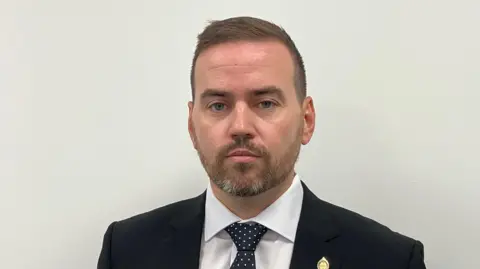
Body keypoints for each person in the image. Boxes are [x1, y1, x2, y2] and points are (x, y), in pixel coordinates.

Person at [97, 16, 426, 269]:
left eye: (265, 103)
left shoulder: (388, 259)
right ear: (191, 125)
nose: (240, 126)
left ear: (306, 120)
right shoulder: (128, 250)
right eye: (218, 105)